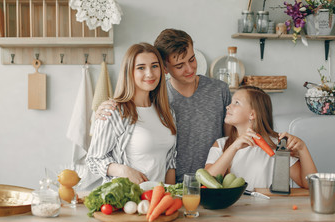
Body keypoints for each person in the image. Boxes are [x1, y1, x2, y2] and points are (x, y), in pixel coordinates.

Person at [96, 29, 231, 183]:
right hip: (173, 188)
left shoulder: (219, 90)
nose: (190, 69)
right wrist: (102, 112)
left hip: (214, 184)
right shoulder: (157, 97)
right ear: (164, 68)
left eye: (192, 59)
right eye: (179, 66)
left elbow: (229, 140)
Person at [85, 43, 177, 185]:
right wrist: (123, 171)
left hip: (156, 201)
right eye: (141, 68)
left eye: (154, 66)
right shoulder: (114, 111)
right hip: (125, 200)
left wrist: (170, 197)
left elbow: (170, 163)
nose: (150, 73)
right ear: (129, 72)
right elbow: (93, 160)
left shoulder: (167, 113)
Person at [205, 86, 317, 190]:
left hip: (268, 210)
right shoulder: (220, 145)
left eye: (236, 103)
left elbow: (309, 185)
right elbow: (206, 182)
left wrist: (303, 148)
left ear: (252, 115)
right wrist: (234, 147)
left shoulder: (277, 145)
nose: (228, 106)